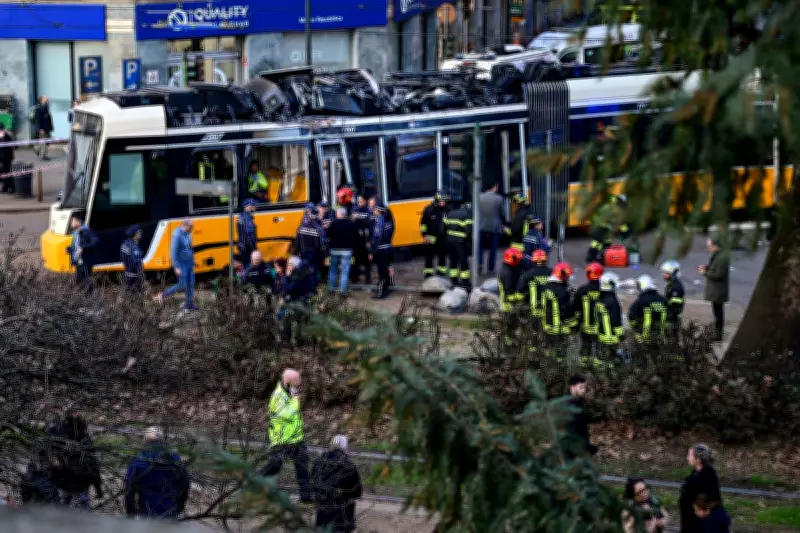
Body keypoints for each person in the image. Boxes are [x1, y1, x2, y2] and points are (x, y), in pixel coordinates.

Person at [264, 369, 311, 503]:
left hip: (296, 439)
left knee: (302, 467)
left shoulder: (289, 393)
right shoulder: (278, 396)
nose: (299, 385)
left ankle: (306, 497)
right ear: (288, 382)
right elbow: (287, 414)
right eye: (297, 382)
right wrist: (296, 400)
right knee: (273, 467)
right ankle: (252, 488)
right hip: (281, 440)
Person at [124, 427, 190, 520]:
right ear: (162, 440)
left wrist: (130, 512)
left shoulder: (139, 461)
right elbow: (185, 484)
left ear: (145, 440)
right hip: (170, 511)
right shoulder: (176, 460)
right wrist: (180, 506)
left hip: (147, 511)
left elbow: (129, 488)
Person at [47, 409, 103, 508]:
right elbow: (93, 466)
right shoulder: (85, 440)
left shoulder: (55, 435)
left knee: (62, 509)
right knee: (81, 512)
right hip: (80, 484)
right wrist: (98, 489)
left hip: (62, 483)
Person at [310, 435, 363, 533]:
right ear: (345, 447)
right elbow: (357, 492)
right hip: (342, 515)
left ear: (331, 445)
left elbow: (313, 484)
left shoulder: (318, 462)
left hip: (322, 514)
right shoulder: (349, 465)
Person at [154, 219, 197, 312]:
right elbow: (173, 252)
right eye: (191, 227)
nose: (193, 229)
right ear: (186, 225)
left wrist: (194, 260)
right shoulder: (177, 235)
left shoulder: (188, 234)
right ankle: (162, 295)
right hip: (182, 265)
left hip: (189, 263)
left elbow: (190, 248)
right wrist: (176, 267)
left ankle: (189, 305)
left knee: (191, 284)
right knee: (182, 285)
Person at [679, 444, 722, 533]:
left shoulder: (707, 477)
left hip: (699, 524)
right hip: (690, 521)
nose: (687, 458)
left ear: (698, 460)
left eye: (690, 455)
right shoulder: (696, 473)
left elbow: (711, 501)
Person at [698, 238, 729, 342]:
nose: (709, 249)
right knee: (717, 312)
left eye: (710, 247)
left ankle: (718, 335)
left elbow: (718, 274)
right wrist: (706, 267)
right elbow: (714, 268)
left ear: (716, 246)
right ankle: (716, 333)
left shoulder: (722, 258)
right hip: (715, 290)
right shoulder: (716, 256)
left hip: (718, 291)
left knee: (718, 313)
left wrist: (705, 273)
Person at [541, 262, 577, 350]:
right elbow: (566, 310)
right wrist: (574, 324)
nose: (568, 279)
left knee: (548, 348)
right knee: (560, 351)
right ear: (563, 276)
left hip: (547, 324)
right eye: (567, 276)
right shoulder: (562, 292)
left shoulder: (545, 286)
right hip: (559, 328)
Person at [279, 256, 316, 341]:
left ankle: (290, 336)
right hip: (295, 301)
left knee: (287, 314)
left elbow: (290, 288)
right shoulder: (299, 274)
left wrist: (286, 278)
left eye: (291, 264)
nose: (289, 266)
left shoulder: (300, 276)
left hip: (301, 302)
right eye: (288, 264)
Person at [586, 194, 630, 264]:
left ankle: (603, 257)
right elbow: (616, 221)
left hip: (601, 225)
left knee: (606, 242)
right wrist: (624, 232)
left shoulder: (612, 204)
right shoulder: (614, 208)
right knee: (597, 242)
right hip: (600, 226)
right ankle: (591, 257)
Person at [563, 374, 598, 458]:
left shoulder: (580, 403)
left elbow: (582, 427)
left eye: (585, 387)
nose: (584, 390)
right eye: (581, 387)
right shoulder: (567, 405)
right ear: (572, 387)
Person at [574, 262, 604, 362]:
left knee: (585, 347)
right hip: (600, 328)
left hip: (586, 327)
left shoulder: (582, 290)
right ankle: (598, 367)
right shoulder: (605, 291)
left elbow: (576, 308)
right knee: (599, 349)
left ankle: (585, 365)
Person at [327, 207, 360, 294]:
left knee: (333, 269)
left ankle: (331, 289)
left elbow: (328, 236)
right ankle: (342, 291)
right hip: (347, 251)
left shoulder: (333, 224)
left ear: (338, 214)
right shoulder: (351, 224)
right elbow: (356, 237)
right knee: (344, 271)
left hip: (334, 250)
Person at [628, 275, 668, 343]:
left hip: (644, 337)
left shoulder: (641, 300)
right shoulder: (663, 299)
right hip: (660, 337)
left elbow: (631, 314)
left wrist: (635, 327)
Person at [478, 183, 507, 275]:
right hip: (494, 227)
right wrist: (504, 224)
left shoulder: (479, 197)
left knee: (480, 247)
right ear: (494, 187)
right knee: (493, 249)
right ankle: (491, 269)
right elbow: (502, 213)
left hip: (481, 226)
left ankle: (480, 264)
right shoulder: (499, 198)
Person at [595, 272, 625, 360]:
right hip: (611, 337)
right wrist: (621, 335)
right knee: (611, 359)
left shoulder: (599, 299)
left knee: (600, 358)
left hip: (601, 335)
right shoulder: (613, 301)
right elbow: (616, 321)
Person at [444, 201, 474, 290]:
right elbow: (470, 230)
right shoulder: (467, 215)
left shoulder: (450, 213)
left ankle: (454, 281)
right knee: (463, 262)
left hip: (450, 241)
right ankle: (465, 283)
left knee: (453, 261)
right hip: (460, 242)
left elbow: (443, 228)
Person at [420, 191, 449, 279]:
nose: (443, 202)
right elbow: (423, 224)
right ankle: (428, 275)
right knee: (429, 257)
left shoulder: (447, 209)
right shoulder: (429, 210)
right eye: (441, 201)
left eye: (444, 201)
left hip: (443, 238)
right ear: (436, 200)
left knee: (442, 256)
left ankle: (441, 274)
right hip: (430, 238)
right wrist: (424, 235)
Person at [66, 215, 99, 294]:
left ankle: (90, 297)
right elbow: (76, 245)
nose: (71, 223)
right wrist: (70, 249)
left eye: (73, 221)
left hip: (84, 260)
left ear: (79, 222)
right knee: (80, 279)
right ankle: (82, 298)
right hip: (77, 260)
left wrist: (84, 248)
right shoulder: (75, 232)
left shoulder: (86, 231)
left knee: (86, 279)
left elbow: (95, 241)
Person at [296, 204, 328, 284]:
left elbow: (297, 241)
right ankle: (313, 288)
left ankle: (305, 287)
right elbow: (322, 244)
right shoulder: (319, 229)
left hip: (303, 252)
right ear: (316, 215)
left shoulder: (301, 227)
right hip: (315, 253)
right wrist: (326, 255)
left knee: (304, 269)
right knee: (314, 271)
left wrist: (297, 252)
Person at [517, 249, 551, 322]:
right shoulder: (552, 273)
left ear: (533, 260)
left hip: (532, 310)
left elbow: (520, 291)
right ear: (545, 260)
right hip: (549, 310)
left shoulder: (527, 275)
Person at [370, 202, 394, 299]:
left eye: (375, 209)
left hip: (381, 250)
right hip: (388, 248)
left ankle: (381, 293)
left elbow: (377, 237)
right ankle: (388, 289)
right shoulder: (389, 221)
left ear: (379, 211)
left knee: (382, 271)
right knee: (387, 269)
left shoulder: (379, 222)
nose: (373, 211)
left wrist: (372, 250)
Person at [350, 194, 372, 284]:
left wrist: (359, 218)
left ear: (365, 201)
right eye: (358, 201)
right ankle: (355, 278)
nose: (359, 203)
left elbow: (370, 223)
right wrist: (353, 218)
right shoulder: (354, 209)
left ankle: (367, 278)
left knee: (366, 261)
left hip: (365, 239)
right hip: (355, 239)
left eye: (361, 201)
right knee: (354, 260)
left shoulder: (368, 210)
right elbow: (350, 222)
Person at [661, 260, 685, 334]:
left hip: (672, 319)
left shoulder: (676, 287)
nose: (664, 275)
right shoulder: (672, 284)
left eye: (666, 273)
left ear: (673, 273)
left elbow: (675, 306)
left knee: (671, 339)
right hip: (670, 317)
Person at [120, 224, 145, 294]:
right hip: (134, 277)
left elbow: (122, 258)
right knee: (136, 296)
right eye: (139, 233)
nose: (141, 234)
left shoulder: (124, 243)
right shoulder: (134, 247)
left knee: (129, 296)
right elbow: (137, 263)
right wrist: (142, 277)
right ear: (135, 234)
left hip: (127, 275)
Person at [237, 199, 259, 266]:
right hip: (248, 247)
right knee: (250, 265)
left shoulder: (242, 217)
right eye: (254, 206)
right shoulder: (247, 219)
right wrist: (254, 249)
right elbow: (249, 235)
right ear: (249, 207)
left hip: (243, 247)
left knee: (246, 265)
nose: (256, 207)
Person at [34, 95, 54, 160]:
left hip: (47, 127)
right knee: (44, 141)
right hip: (42, 128)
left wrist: (50, 127)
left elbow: (48, 118)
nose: (47, 99)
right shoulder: (39, 108)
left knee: (48, 141)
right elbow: (38, 119)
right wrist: (40, 128)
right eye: (45, 98)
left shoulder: (46, 107)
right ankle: (44, 155)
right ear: (42, 100)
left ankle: (37, 148)